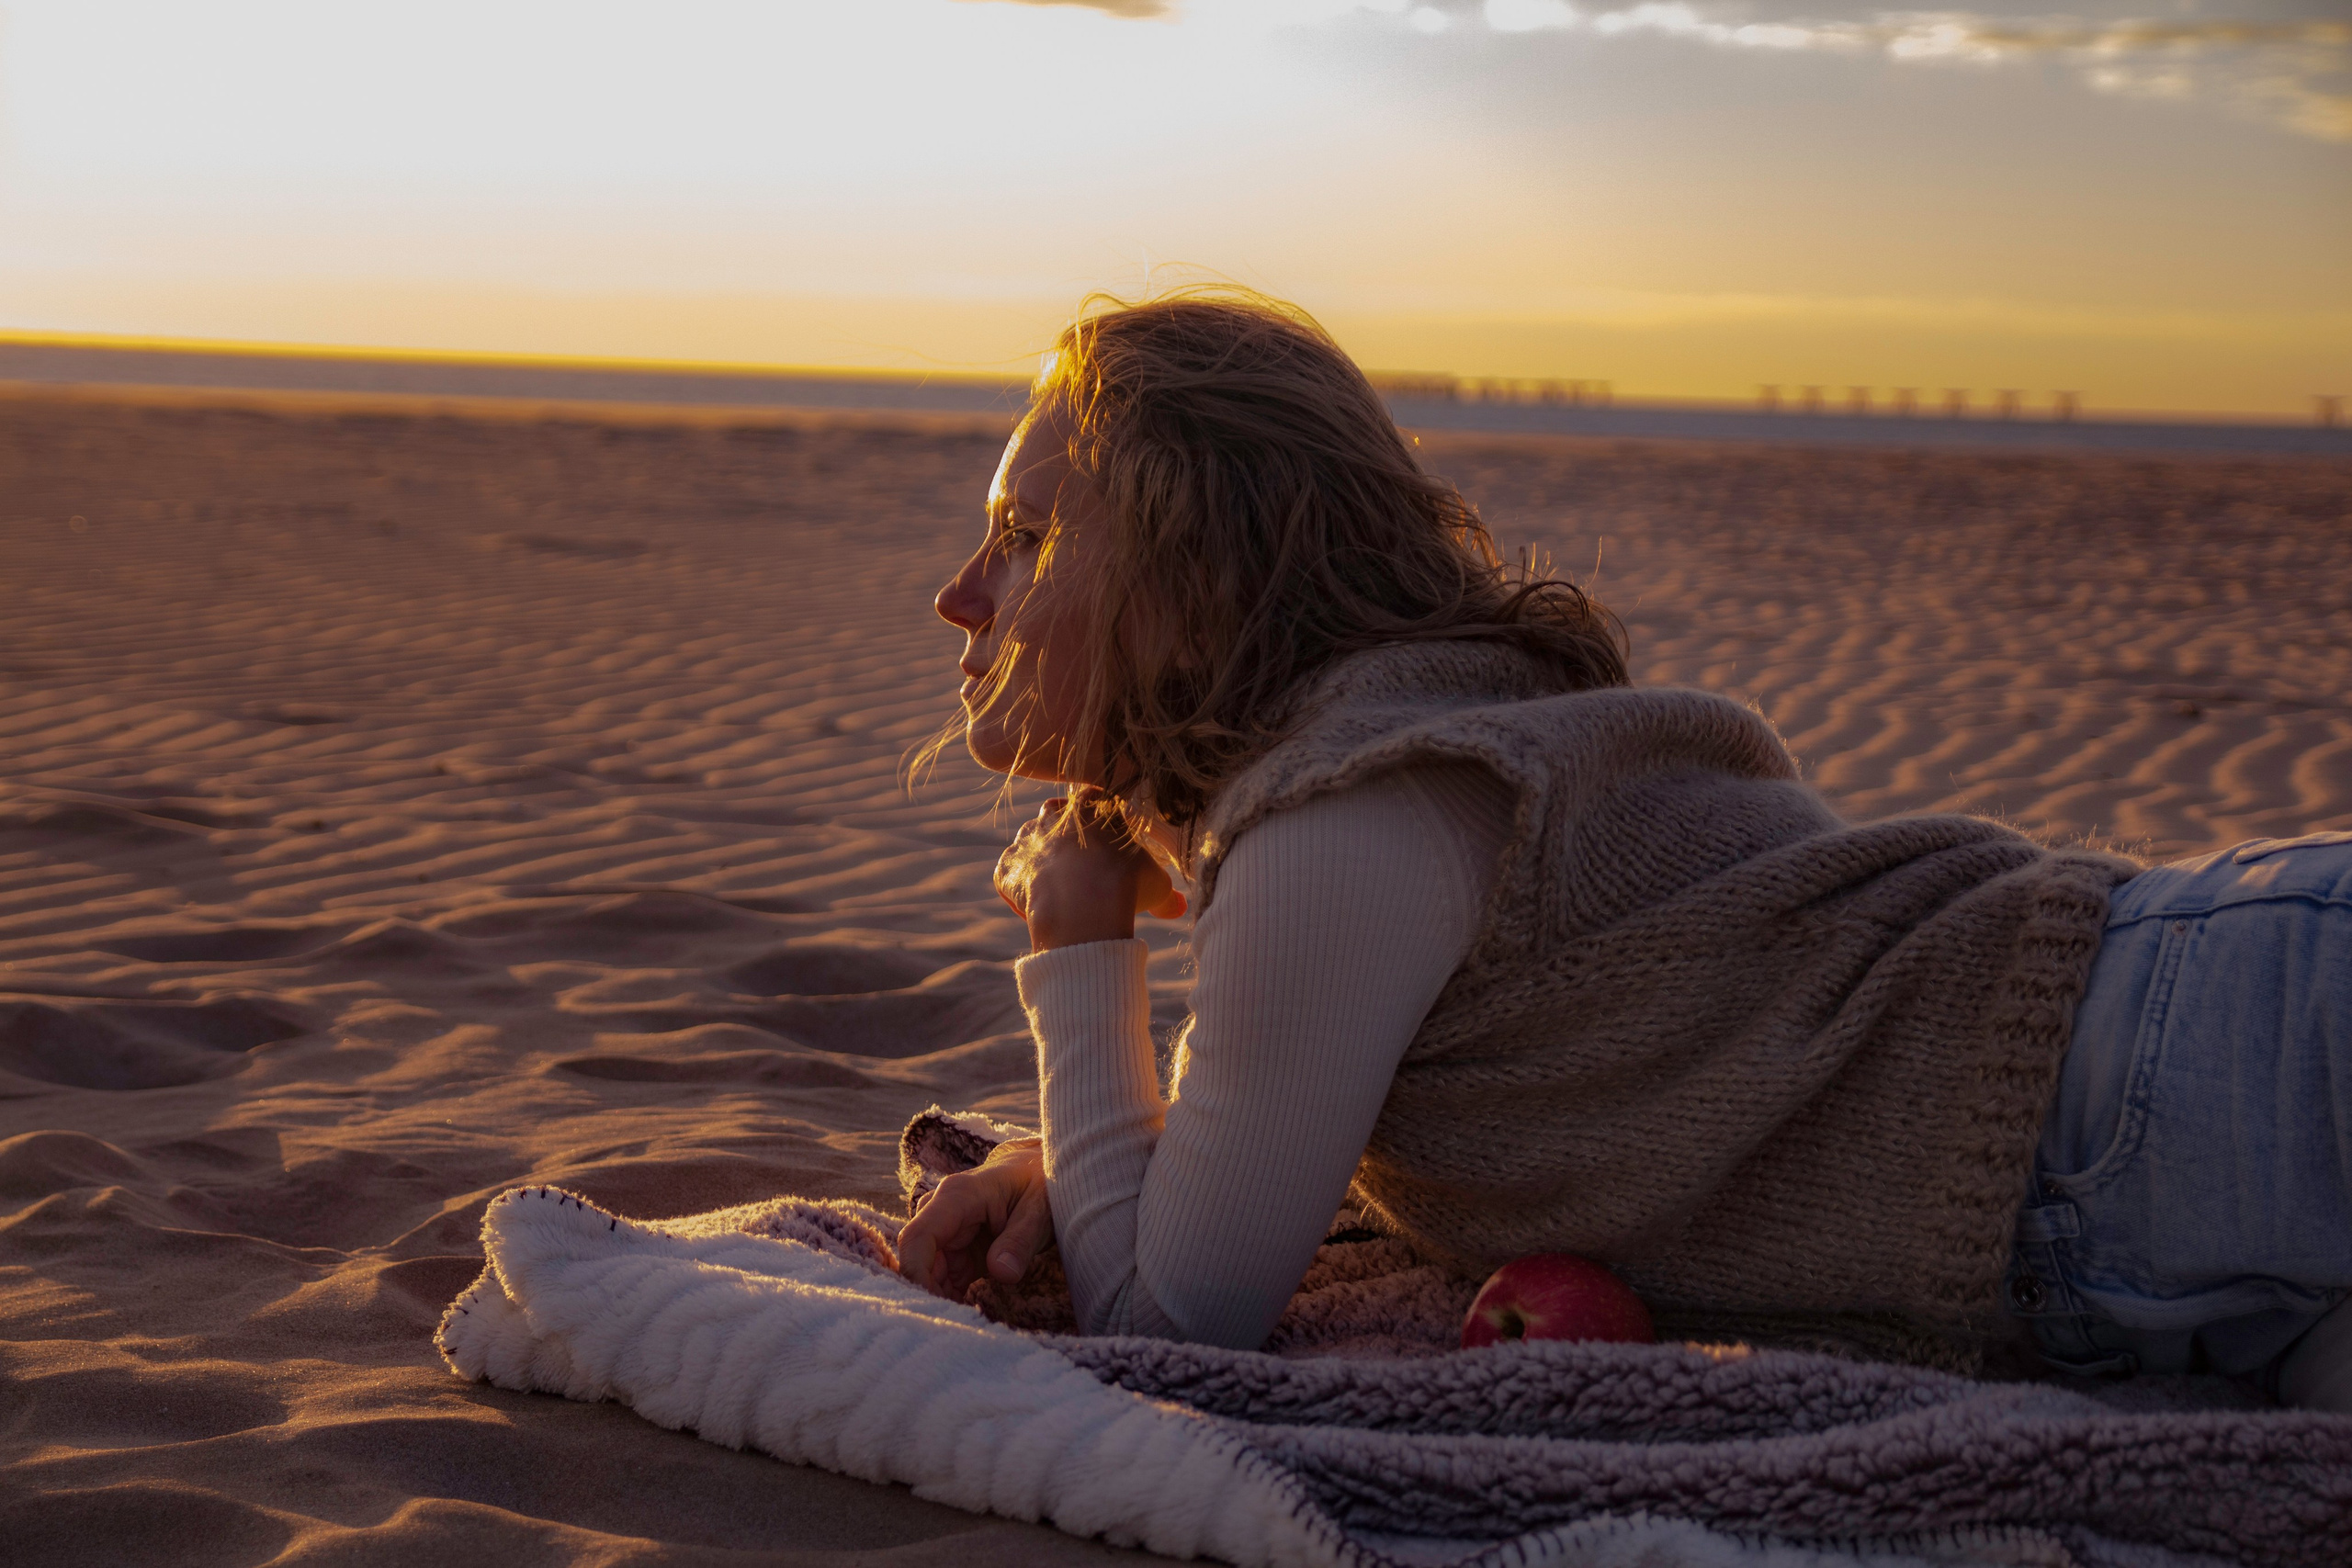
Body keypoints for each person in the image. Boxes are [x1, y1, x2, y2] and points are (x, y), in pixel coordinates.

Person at [896, 288, 2352, 1408]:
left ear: (1193, 573)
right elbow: (1304, 1126)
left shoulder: (1345, 815)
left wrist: (1078, 937)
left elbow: (1169, 1326)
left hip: (2208, 1071)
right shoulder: (1433, 732)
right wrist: (1072, 1159)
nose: (961, 595)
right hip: (2188, 1132)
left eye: (1024, 535)